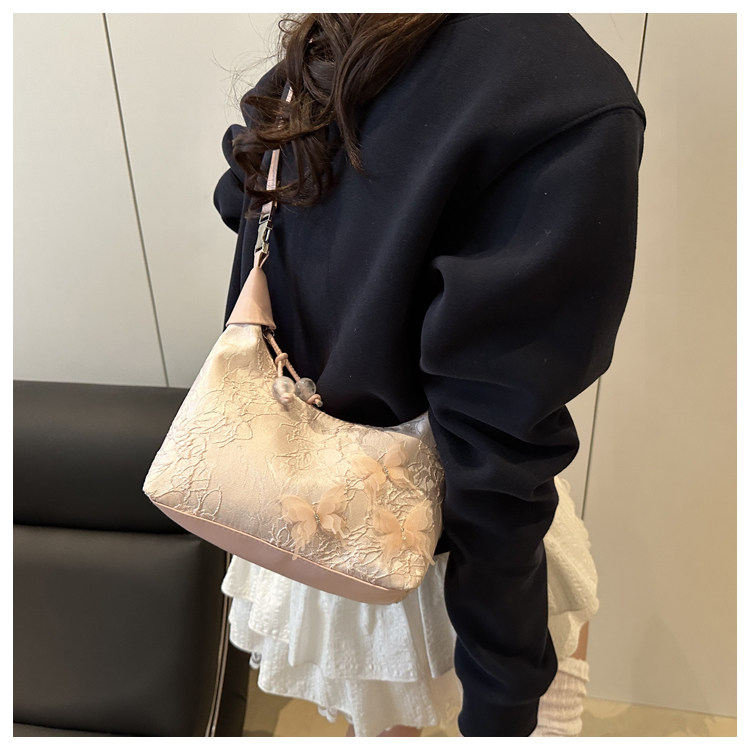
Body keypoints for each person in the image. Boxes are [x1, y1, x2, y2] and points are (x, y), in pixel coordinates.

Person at [213, 13, 646, 737]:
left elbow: (242, 196)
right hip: (436, 541)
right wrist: (505, 690)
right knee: (538, 685)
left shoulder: (348, 33)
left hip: (302, 494)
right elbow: (495, 436)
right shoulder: (567, 98)